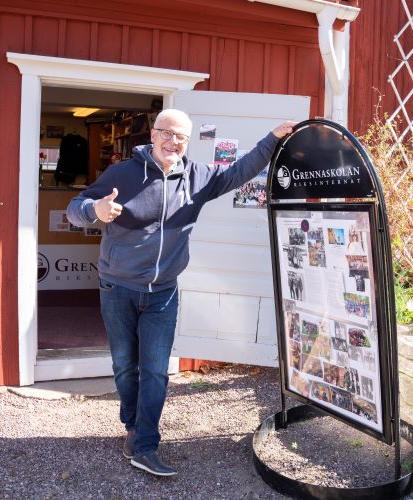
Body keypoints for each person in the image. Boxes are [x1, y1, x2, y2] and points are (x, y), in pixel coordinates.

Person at [66, 109, 297, 477]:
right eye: (167, 134)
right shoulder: (123, 174)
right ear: (153, 135)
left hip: (163, 294)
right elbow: (74, 209)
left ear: (188, 142)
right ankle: (132, 424)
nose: (173, 142)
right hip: (117, 288)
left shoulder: (197, 177)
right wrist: (95, 209)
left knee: (155, 371)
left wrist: (271, 139)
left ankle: (144, 444)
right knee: (126, 366)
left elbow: (240, 171)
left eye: (181, 137)